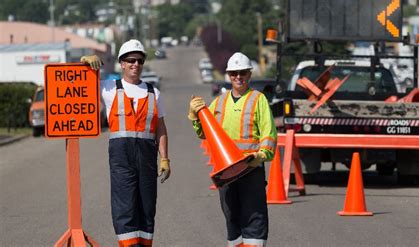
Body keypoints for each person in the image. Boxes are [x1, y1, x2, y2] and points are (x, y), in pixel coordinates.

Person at [81, 39, 170, 247]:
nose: (135, 64)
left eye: (139, 60)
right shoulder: (109, 88)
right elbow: (81, 84)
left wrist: (165, 158)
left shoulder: (154, 93)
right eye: (130, 60)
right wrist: (85, 62)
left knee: (147, 206)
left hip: (147, 157)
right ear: (122, 63)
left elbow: (161, 129)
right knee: (125, 206)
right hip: (122, 157)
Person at [188, 52, 277, 247]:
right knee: (231, 217)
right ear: (229, 75)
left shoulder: (258, 99)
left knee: (254, 216)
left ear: (249, 74)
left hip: (250, 167)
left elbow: (269, 133)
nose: (238, 77)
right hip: (226, 171)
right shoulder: (219, 102)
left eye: (243, 73)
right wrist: (196, 117)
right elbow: (205, 133)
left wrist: (262, 154)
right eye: (234, 73)